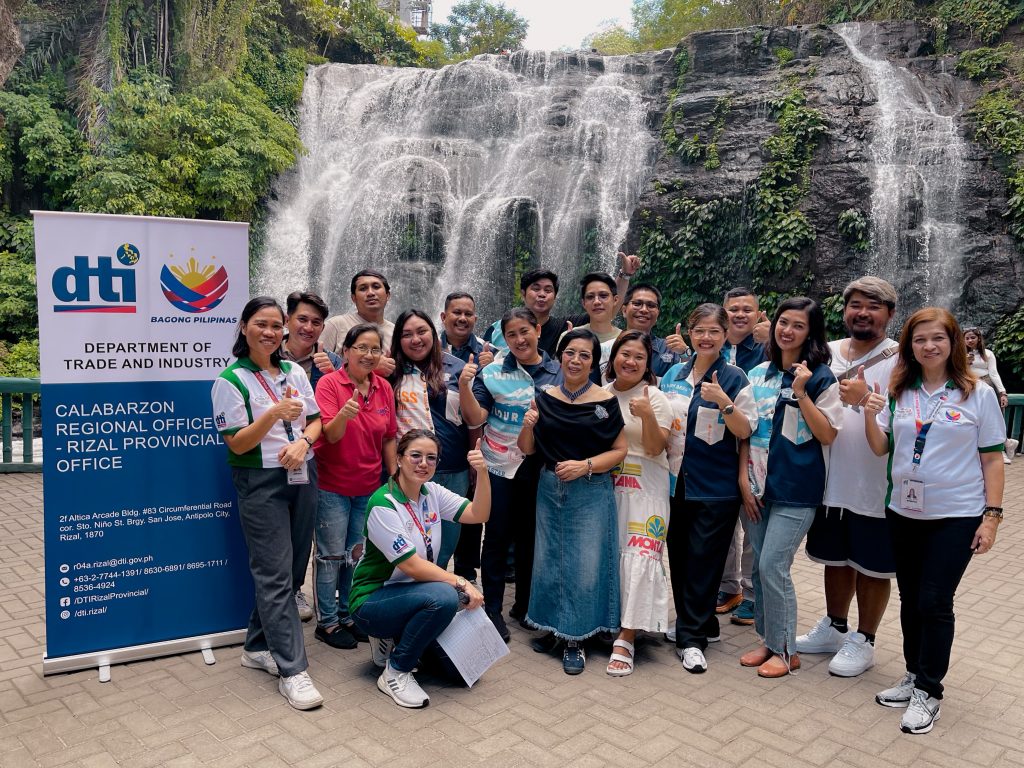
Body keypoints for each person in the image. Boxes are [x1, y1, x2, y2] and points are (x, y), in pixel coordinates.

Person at [863, 307, 1005, 735]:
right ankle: (913, 674)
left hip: (957, 514)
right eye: (920, 339)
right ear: (909, 345)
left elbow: (993, 459)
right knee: (910, 598)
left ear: (954, 342)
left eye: (938, 338)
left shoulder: (976, 392)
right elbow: (880, 449)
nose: (929, 346)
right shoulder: (900, 390)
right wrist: (869, 414)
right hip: (904, 512)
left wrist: (992, 518)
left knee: (935, 602)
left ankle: (930, 690)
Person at [211, 296, 324, 710]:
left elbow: (315, 419)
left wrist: (305, 442)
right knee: (274, 574)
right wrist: (273, 414)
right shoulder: (230, 380)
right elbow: (237, 443)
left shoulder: (295, 369)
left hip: (302, 474)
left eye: (278, 326)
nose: (271, 332)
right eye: (262, 324)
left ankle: (256, 646)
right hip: (260, 481)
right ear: (244, 327)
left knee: (293, 570)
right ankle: (293, 670)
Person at [796, 277, 901, 677]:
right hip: (828, 477)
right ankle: (834, 626)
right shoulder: (825, 353)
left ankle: (865, 638)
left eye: (874, 306)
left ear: (889, 314)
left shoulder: (901, 357)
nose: (863, 312)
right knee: (835, 558)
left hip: (876, 482)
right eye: (856, 304)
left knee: (873, 565)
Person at [738, 297, 842, 678]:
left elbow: (827, 433)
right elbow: (746, 431)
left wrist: (801, 392)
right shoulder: (758, 373)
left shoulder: (820, 377)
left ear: (811, 332)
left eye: (798, 325)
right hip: (755, 485)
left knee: (772, 566)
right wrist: (743, 483)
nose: (787, 330)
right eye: (783, 322)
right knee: (763, 571)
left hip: (796, 488)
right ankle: (768, 640)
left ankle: (786, 650)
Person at [349, 429, 492, 708]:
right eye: (415, 455)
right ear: (399, 459)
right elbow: (413, 567)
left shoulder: (432, 493)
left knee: (457, 673)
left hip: (409, 594)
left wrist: (483, 472)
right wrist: (460, 581)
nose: (423, 463)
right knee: (445, 596)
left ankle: (394, 639)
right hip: (372, 600)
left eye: (431, 458)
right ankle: (396, 671)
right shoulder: (383, 503)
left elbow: (479, 514)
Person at [518, 328, 627, 674]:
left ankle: (576, 640)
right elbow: (527, 449)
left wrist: (586, 466)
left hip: (590, 490)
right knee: (549, 560)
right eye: (570, 352)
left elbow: (621, 451)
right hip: (549, 488)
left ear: (594, 361)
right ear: (560, 355)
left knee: (584, 565)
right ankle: (554, 628)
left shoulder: (605, 401)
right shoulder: (545, 396)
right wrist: (527, 424)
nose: (576, 360)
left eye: (584, 355)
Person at [659, 304, 757, 673]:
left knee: (704, 562)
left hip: (715, 487)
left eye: (714, 331)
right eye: (699, 330)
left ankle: (692, 639)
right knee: (681, 558)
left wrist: (725, 404)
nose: (705, 337)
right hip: (674, 481)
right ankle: (703, 624)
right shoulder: (673, 374)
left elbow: (746, 430)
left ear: (725, 334)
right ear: (689, 332)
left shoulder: (734, 378)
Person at [459, 307, 563, 641]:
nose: (519, 339)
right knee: (498, 536)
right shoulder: (492, 373)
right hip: (498, 467)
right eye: (511, 334)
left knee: (530, 537)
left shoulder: (558, 371)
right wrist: (464, 385)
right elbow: (476, 416)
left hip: (538, 467)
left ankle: (525, 605)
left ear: (537, 329)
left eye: (524, 331)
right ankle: (492, 610)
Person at [313, 324, 397, 650]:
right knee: (330, 556)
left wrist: (393, 478)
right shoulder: (329, 384)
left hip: (368, 486)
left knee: (354, 555)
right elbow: (330, 436)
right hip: (332, 487)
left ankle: (349, 615)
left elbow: (389, 435)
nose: (368, 354)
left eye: (375, 349)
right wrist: (344, 414)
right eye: (361, 347)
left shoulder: (383, 387)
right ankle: (328, 623)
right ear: (346, 351)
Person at [603, 331, 673, 675]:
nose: (630, 362)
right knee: (611, 556)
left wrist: (645, 414)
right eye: (624, 354)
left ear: (648, 365)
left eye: (639, 358)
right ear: (614, 356)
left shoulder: (656, 397)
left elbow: (657, 448)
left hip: (646, 487)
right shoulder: (600, 395)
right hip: (607, 486)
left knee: (640, 556)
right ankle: (610, 623)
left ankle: (627, 637)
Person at [389, 309, 471, 569]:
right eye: (407, 334)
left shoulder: (457, 367)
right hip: (410, 471)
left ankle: (439, 595)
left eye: (421, 331)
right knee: (410, 541)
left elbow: (472, 420)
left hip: (454, 469)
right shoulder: (390, 372)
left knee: (446, 542)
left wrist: (473, 464)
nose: (415, 339)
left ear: (433, 334)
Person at [281, 290, 343, 622]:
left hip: (311, 458)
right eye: (302, 319)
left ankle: (294, 590)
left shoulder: (328, 361)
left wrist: (327, 371)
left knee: (302, 530)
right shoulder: (268, 354)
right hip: (270, 455)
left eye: (316, 322)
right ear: (288, 320)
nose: (308, 327)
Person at [716, 287, 769, 626]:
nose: (739, 314)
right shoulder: (712, 347)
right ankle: (728, 587)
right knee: (723, 524)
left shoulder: (766, 350)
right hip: (717, 450)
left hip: (755, 450)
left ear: (758, 313)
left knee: (752, 522)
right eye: (733, 309)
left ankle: (751, 593)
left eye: (746, 309)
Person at [483, 253, 640, 357]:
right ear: (523, 293)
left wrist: (624, 275)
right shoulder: (499, 328)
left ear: (555, 297)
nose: (542, 294)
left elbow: (605, 311)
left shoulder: (565, 327)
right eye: (536, 289)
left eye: (548, 290)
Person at [320, 270, 397, 376]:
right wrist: (371, 368)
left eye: (376, 287)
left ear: (388, 295)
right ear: (353, 298)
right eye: (363, 288)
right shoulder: (336, 325)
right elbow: (317, 368)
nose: (370, 293)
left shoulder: (397, 332)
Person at [557, 272, 624, 382]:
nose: (597, 302)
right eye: (590, 297)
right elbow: (560, 378)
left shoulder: (625, 339)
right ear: (583, 303)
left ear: (615, 300)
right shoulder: (568, 337)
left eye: (603, 296)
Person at [964, 327, 1014, 464]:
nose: (970, 340)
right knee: (973, 417)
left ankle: (1001, 450)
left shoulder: (988, 354)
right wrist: (965, 362)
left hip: (986, 385)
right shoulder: (959, 354)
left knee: (993, 417)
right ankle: (1007, 443)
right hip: (968, 385)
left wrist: (1002, 392)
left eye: (972, 338)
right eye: (967, 338)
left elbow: (993, 373)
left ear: (979, 338)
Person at [620, 284, 687, 377]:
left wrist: (684, 353)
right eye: (637, 304)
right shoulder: (608, 346)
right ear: (624, 310)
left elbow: (687, 378)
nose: (644, 310)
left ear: (657, 315)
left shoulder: (669, 349)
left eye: (651, 305)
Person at [439, 291, 495, 366]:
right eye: (457, 312)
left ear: (475, 320)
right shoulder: (428, 349)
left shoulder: (491, 352)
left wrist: (492, 368)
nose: (463, 318)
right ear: (443, 317)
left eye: (468, 314)